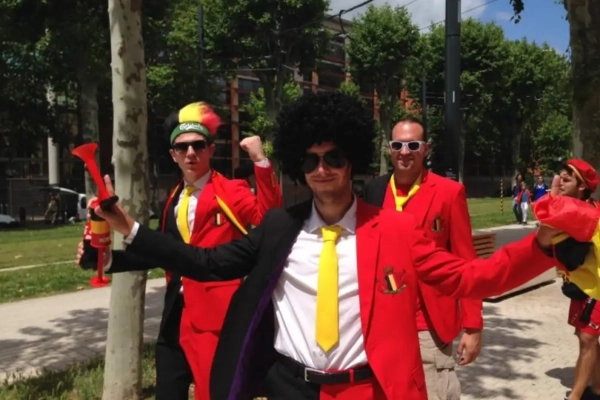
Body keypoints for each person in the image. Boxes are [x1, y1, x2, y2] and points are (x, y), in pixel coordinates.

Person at [81, 92, 576, 400]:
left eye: (334, 157)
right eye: (311, 159)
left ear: (351, 160)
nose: (322, 168)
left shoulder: (395, 229)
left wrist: (540, 244)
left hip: (368, 388)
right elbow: (206, 263)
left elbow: (473, 276)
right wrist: (131, 228)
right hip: (290, 387)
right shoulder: (279, 227)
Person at [82, 101, 282, 400]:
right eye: (182, 147)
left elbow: (270, 218)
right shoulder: (174, 198)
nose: (191, 153)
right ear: (173, 155)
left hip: (217, 315)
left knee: (212, 393)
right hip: (176, 311)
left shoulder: (231, 190)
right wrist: (109, 259)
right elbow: (164, 251)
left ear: (211, 150)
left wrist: (260, 161)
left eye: (198, 145)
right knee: (168, 391)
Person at [362, 117, 481, 400]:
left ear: (426, 148)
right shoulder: (374, 191)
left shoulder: (449, 193)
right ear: (389, 149)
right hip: (383, 320)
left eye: (413, 145)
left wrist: (473, 326)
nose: (405, 152)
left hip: (427, 323)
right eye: (398, 145)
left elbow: (466, 261)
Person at [554, 159, 600, 400]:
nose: (561, 181)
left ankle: (575, 396)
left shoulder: (591, 214)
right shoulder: (572, 209)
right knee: (585, 337)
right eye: (560, 176)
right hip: (582, 286)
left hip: (597, 288)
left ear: (582, 186)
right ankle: (598, 388)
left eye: (567, 178)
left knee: (587, 338)